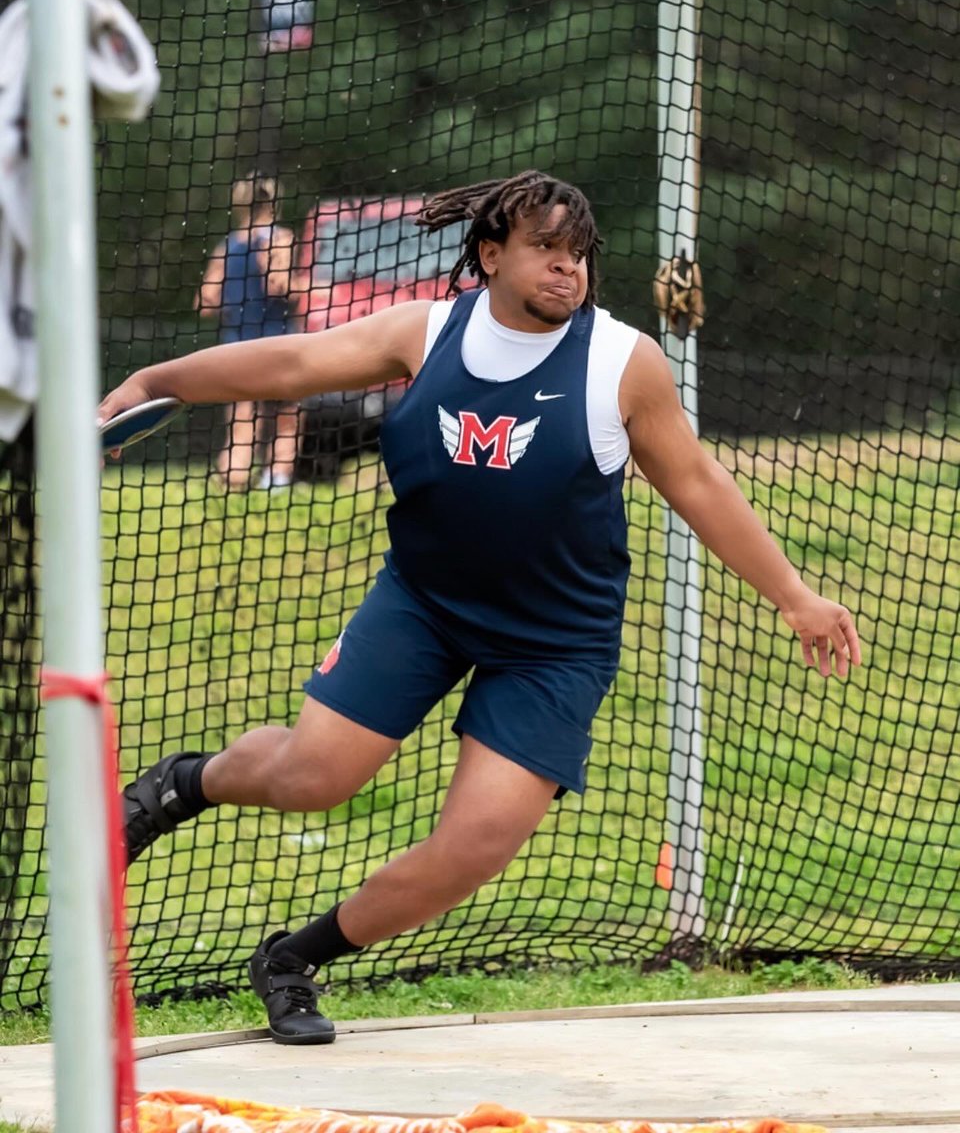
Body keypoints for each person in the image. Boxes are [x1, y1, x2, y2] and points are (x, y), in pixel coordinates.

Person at [98, 170, 862, 1046]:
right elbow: (295, 361)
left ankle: (292, 959)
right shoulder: (427, 332)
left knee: (475, 848)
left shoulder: (624, 362)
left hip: (554, 643)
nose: (567, 269)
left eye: (579, 254)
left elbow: (696, 480)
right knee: (314, 780)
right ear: (491, 254)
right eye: (545, 249)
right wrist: (157, 377)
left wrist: (796, 596)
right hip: (424, 603)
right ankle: (178, 787)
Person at [195, 172, 305, 490]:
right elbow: (279, 284)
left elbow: (206, 301)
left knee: (242, 417)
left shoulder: (226, 246)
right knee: (287, 415)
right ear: (273, 203)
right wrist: (308, 287)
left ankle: (234, 478)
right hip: (277, 340)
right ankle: (277, 480)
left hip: (236, 343)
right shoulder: (279, 238)